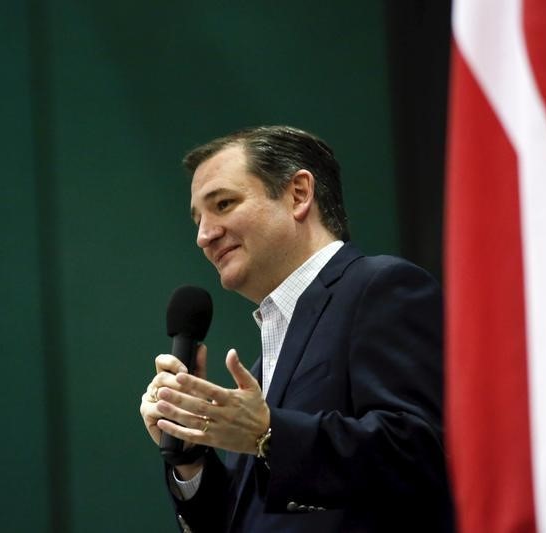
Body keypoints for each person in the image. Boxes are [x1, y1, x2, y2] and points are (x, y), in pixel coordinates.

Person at [139, 125, 454, 532]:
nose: (204, 236)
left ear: (298, 194)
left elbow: (421, 452)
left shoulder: (381, 287)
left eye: (224, 203)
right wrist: (191, 457)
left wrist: (268, 433)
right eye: (199, 219)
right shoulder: (262, 366)